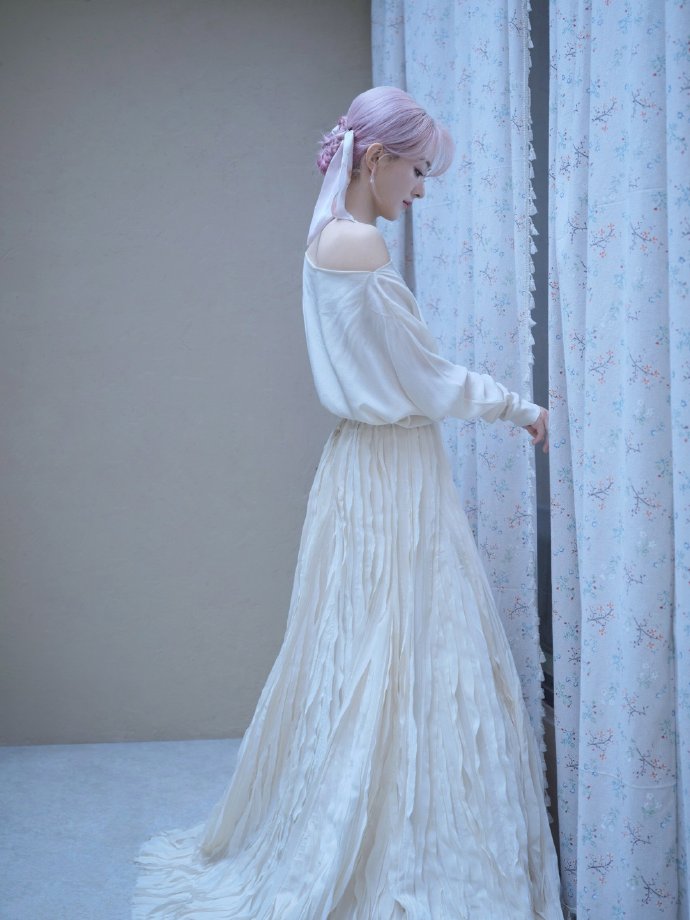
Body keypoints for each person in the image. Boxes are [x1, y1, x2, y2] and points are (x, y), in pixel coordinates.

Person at [132, 86, 563, 919]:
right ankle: (407, 850)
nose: (422, 189)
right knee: (410, 652)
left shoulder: (324, 234)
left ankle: (357, 824)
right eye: (417, 170)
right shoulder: (361, 245)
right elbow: (429, 379)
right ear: (376, 159)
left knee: (363, 651)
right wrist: (521, 408)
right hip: (395, 469)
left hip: (356, 468)